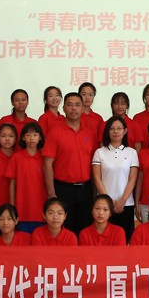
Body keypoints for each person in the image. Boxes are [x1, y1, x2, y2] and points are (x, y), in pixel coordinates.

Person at [42, 93, 97, 234]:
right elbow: (47, 164)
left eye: (77, 105)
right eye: (70, 105)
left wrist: (95, 191)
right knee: (64, 230)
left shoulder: (90, 133)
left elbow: (95, 164)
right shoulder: (55, 132)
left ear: (83, 108)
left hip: (86, 189)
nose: (74, 108)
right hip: (62, 189)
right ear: (64, 108)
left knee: (85, 229)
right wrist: (51, 193)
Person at [91, 116, 139, 240]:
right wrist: (108, 202)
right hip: (104, 205)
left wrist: (122, 200)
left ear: (125, 131)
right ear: (107, 131)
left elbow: (132, 179)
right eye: (112, 128)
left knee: (124, 239)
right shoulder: (99, 152)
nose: (115, 131)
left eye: (119, 128)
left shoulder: (132, 152)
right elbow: (97, 178)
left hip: (126, 204)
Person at [7, 122, 47, 232]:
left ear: (40, 138)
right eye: (28, 135)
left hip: (40, 208)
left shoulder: (44, 158)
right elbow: (12, 184)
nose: (32, 138)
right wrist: (12, 207)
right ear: (23, 138)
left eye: (35, 135)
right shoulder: (16, 157)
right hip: (21, 208)